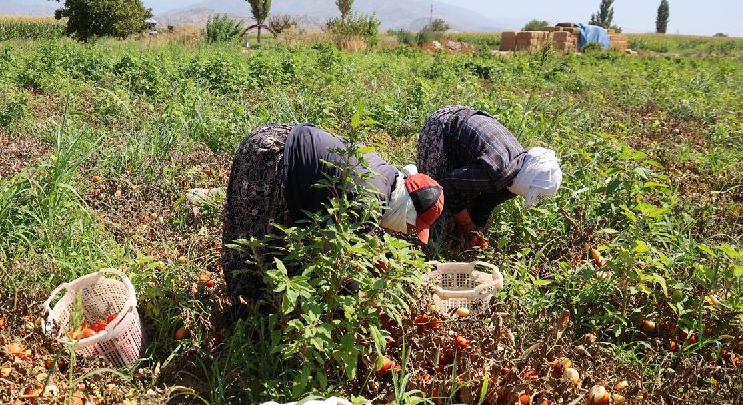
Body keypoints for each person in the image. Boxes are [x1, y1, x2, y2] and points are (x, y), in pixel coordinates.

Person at [222, 123, 444, 301]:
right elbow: (337, 258)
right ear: (407, 209)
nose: (407, 231)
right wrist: (361, 299)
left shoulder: (386, 177)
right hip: (270, 158)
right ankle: (249, 316)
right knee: (258, 246)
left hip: (277, 135)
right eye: (412, 225)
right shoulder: (369, 200)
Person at [416, 105, 562, 246]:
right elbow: (445, 185)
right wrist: (465, 224)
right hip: (442, 126)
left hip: (463, 128)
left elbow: (488, 201)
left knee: (468, 210)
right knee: (436, 208)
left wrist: (477, 229)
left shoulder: (520, 171)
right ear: (529, 183)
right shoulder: (496, 173)